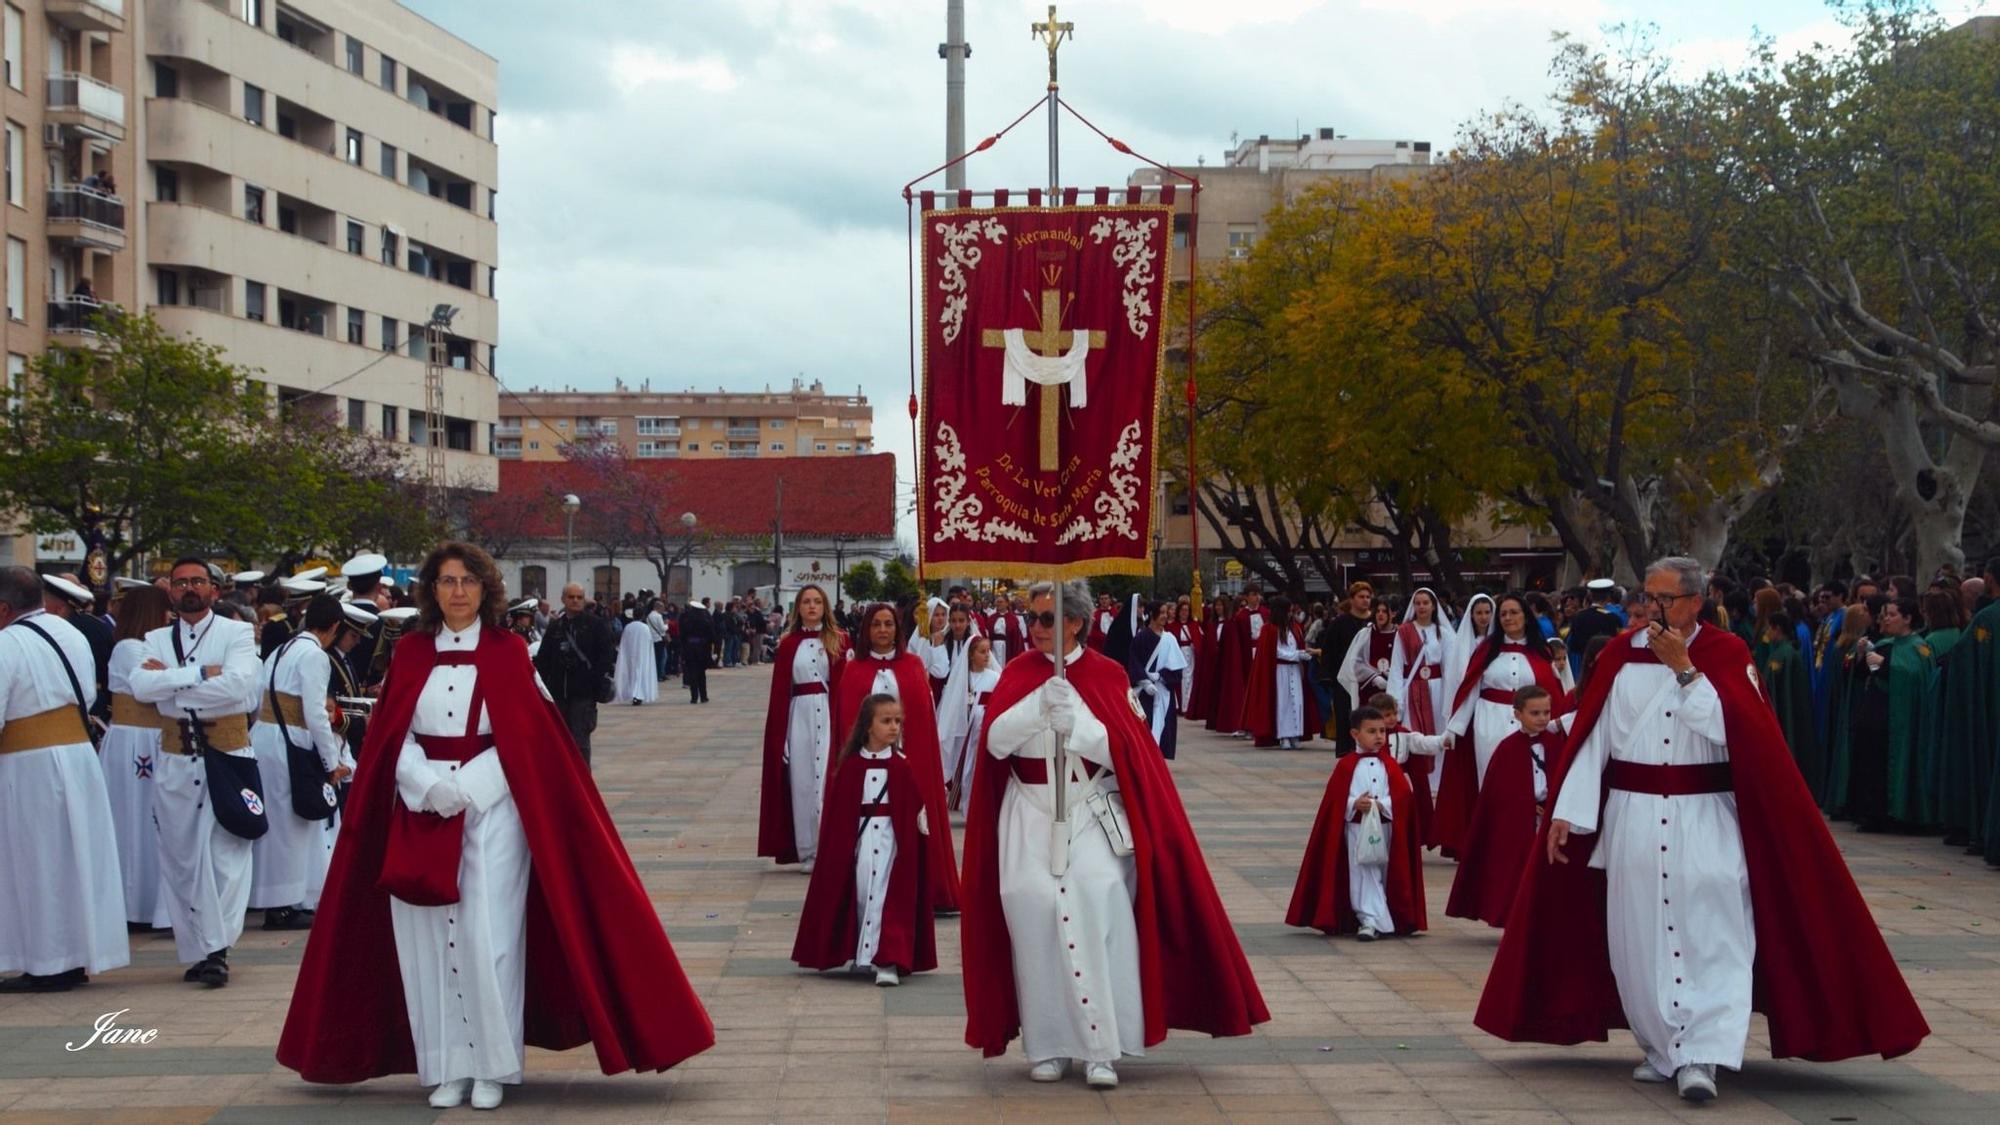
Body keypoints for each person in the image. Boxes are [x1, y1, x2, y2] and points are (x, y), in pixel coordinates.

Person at [277, 542, 715, 1108]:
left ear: (485, 590)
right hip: (420, 810)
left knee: (490, 938)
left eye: (468, 581)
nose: (457, 591)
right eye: (446, 581)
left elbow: (528, 738)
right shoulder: (410, 654)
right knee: (427, 940)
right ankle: (446, 1066)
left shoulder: (510, 653)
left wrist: (469, 788)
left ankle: (492, 1066)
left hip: (493, 813)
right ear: (431, 590)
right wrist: (426, 785)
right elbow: (392, 734)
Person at [1477, 557, 1930, 1104]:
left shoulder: (1727, 653)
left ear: (1696, 601)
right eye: (1646, 596)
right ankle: (1662, 1046)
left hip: (1706, 813)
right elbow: (1594, 735)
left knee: (1715, 929)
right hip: (1633, 815)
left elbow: (1735, 732)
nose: (1650, 608)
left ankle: (1703, 1053)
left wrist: (1685, 672)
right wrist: (1567, 814)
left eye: (1664, 598)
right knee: (1636, 936)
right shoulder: (1620, 655)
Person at [960, 580, 1269, 1088]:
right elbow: (993, 744)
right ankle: (1050, 1044)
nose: (1036, 629)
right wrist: (1035, 709)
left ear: (1076, 622)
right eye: (1033, 619)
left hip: (1087, 806)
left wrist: (1080, 725)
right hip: (1029, 810)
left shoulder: (1107, 674)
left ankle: (1102, 1046)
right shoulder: (1016, 672)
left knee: (1100, 895)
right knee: (1031, 907)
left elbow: (1129, 750)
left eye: (1047, 619)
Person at [127, 557, 263, 988]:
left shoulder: (236, 633)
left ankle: (216, 949)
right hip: (177, 760)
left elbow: (239, 686)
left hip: (228, 755)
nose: (190, 588)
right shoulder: (154, 638)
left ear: (214, 590)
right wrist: (201, 673)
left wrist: (170, 681)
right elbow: (141, 687)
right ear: (170, 590)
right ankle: (201, 948)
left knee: (228, 857)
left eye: (198, 581)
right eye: (182, 582)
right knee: (183, 860)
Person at [0, 567, 128, 993]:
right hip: (77, 757)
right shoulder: (69, 631)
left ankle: (48, 962)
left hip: (29, 764)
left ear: (3, 608)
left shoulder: (5, 644)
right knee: (73, 861)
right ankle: (74, 956)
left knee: (36, 864)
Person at [791, 695, 936, 987]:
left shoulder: (901, 766)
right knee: (860, 893)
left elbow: (913, 809)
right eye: (886, 721)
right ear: (868, 726)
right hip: (859, 840)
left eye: (897, 721)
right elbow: (840, 814)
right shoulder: (851, 766)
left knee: (885, 894)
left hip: (890, 840)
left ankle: (888, 959)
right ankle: (863, 954)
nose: (894, 727)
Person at [832, 603, 961, 911]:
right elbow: (847, 724)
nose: (882, 630)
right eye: (876, 624)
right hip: (869, 764)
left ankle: (922, 891)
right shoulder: (854, 670)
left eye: (888, 624)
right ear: (866, 630)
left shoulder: (914, 665)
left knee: (911, 827)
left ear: (897, 629)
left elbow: (922, 720)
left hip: (908, 761)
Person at [248, 594, 351, 931]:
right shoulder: (314, 656)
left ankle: (280, 900)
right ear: (335, 626)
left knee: (277, 825)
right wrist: (331, 758)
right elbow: (316, 714)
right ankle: (286, 904)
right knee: (293, 828)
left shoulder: (281, 650)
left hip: (265, 737)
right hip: (290, 740)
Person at [1434, 593, 1564, 853]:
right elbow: (1470, 690)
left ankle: (1529, 837)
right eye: (1503, 614)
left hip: (1528, 726)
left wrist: (1558, 723)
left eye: (1514, 612)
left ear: (1525, 616)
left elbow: (1555, 690)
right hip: (1490, 723)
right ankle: (1494, 839)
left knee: (1531, 779)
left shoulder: (1542, 651)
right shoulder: (1486, 651)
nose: (1509, 618)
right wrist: (1455, 728)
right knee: (1494, 782)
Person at [1284, 703, 1425, 941]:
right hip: (1356, 828)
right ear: (1355, 734)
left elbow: (1402, 797)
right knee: (1362, 873)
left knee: (1382, 870)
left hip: (1386, 826)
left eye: (1381, 731)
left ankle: (1386, 915)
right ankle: (1369, 920)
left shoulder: (1390, 765)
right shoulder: (1346, 765)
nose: (1379, 737)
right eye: (1372, 732)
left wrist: (1383, 805)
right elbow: (1336, 800)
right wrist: (1352, 804)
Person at [1446, 685, 1558, 928]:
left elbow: (1564, 780)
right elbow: (1498, 794)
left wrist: (1549, 805)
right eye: (1535, 713)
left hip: (1549, 821)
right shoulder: (1507, 749)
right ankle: (1514, 916)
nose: (1542, 719)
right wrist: (1525, 805)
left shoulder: (1557, 744)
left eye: (1546, 713)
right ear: (1518, 714)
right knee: (1515, 871)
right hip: (1518, 825)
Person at [1825, 596, 1933, 831]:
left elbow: (1914, 676)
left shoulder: (1918, 647)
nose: (1886, 619)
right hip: (1873, 715)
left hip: (1896, 719)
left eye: (1892, 615)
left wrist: (1886, 666)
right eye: (1885, 614)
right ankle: (1869, 813)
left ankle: (1894, 814)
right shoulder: (1885, 644)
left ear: (1908, 619)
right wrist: (1862, 657)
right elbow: (1863, 674)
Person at [757, 584, 846, 872]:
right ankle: (808, 849)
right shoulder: (788, 644)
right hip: (800, 715)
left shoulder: (838, 640)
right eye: (806, 602)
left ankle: (830, 846)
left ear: (825, 606)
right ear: (798, 607)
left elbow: (845, 684)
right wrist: (781, 735)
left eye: (817, 601)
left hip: (829, 712)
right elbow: (780, 690)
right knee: (803, 781)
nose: (811, 607)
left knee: (827, 780)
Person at [102, 583, 174, 928]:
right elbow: (160, 683)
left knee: (153, 819)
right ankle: (136, 904)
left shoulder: (146, 645)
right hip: (135, 741)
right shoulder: (130, 648)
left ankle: (153, 901)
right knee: (134, 819)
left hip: (152, 738)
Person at [531, 583, 616, 763]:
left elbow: (606, 656)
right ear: (563, 599)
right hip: (558, 693)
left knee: (580, 742)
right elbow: (544, 659)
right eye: (571, 597)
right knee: (558, 742)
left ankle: (583, 785)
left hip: (583, 695)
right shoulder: (556, 626)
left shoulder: (595, 625)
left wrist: (593, 681)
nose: (575, 601)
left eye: (579, 597)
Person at [1245, 594, 1321, 749]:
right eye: (1288, 611)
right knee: (1283, 703)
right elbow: (1275, 651)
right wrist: (1296, 655)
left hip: (1294, 670)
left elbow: (1297, 646)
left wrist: (1304, 654)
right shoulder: (1269, 629)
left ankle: (1295, 734)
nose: (1290, 614)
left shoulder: (1294, 628)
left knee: (1297, 701)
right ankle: (1283, 735)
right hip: (1280, 671)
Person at [1754, 610, 1820, 787]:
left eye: (1770, 628)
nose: (1768, 632)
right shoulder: (1782, 653)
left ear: (1778, 629)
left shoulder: (1785, 655)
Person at [41, 574, 113, 728]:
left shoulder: (47, 631)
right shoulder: (98, 626)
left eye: (43, 605)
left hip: (59, 714)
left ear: (59, 609)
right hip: (96, 709)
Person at [1127, 599, 1187, 759]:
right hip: (1145, 692)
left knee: (1164, 728)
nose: (1164, 616)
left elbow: (1177, 670)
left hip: (1163, 691)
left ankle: (1159, 758)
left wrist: (1161, 676)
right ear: (1152, 615)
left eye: (1166, 613)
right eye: (1161, 613)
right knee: (1145, 726)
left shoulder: (1170, 639)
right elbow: (1134, 661)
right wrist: (1145, 682)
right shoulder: (1141, 638)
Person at [1318, 582, 1374, 751]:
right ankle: (1347, 752)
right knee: (1346, 718)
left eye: (1368, 597)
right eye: (1361, 597)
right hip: (1345, 680)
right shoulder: (1340, 623)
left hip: (1370, 679)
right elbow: (1329, 651)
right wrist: (1329, 677)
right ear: (1352, 599)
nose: (1365, 601)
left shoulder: (1374, 621)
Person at [947, 636, 1001, 805]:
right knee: (963, 767)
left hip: (981, 732)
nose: (987, 656)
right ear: (971, 655)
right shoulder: (961, 678)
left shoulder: (994, 677)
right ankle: (963, 802)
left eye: (988, 651)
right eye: (982, 652)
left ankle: (974, 804)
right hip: (964, 731)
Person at [1210, 583, 1269, 737]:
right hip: (1247, 655)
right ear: (1247, 596)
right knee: (1249, 691)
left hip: (1263, 653)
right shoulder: (1240, 617)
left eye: (1258, 594)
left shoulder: (1266, 613)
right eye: (1253, 594)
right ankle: (1248, 724)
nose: (1256, 598)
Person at [1336, 600, 1398, 725]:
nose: (1380, 614)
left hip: (1392, 686)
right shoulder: (1366, 634)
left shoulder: (1399, 634)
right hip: (1368, 687)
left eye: (1384, 611)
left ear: (1393, 614)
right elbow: (1355, 661)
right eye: (1378, 611)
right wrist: (1374, 678)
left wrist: (1393, 674)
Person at [613, 598, 658, 706]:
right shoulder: (645, 628)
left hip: (631, 654)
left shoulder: (628, 627)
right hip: (642, 654)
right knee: (640, 673)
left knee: (632, 673)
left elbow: (624, 642)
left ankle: (635, 693)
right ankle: (638, 694)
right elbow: (649, 643)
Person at [677, 597, 716, 704]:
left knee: (692, 672)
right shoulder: (706, 619)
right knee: (701, 673)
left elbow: (682, 635)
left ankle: (694, 697)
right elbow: (712, 634)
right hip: (703, 648)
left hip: (689, 648)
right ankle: (704, 696)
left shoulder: (685, 618)